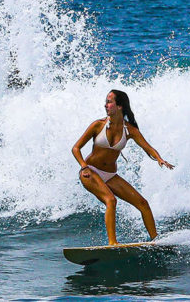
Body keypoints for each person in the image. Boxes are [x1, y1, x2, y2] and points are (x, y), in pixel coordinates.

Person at [71, 89, 174, 245]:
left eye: (109, 101)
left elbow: (148, 148)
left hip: (110, 175)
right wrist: (84, 167)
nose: (106, 105)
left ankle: (156, 241)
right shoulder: (98, 125)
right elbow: (76, 148)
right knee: (110, 200)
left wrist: (159, 159)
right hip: (90, 172)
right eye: (106, 101)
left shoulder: (129, 130)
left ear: (119, 106)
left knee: (143, 204)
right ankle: (113, 243)